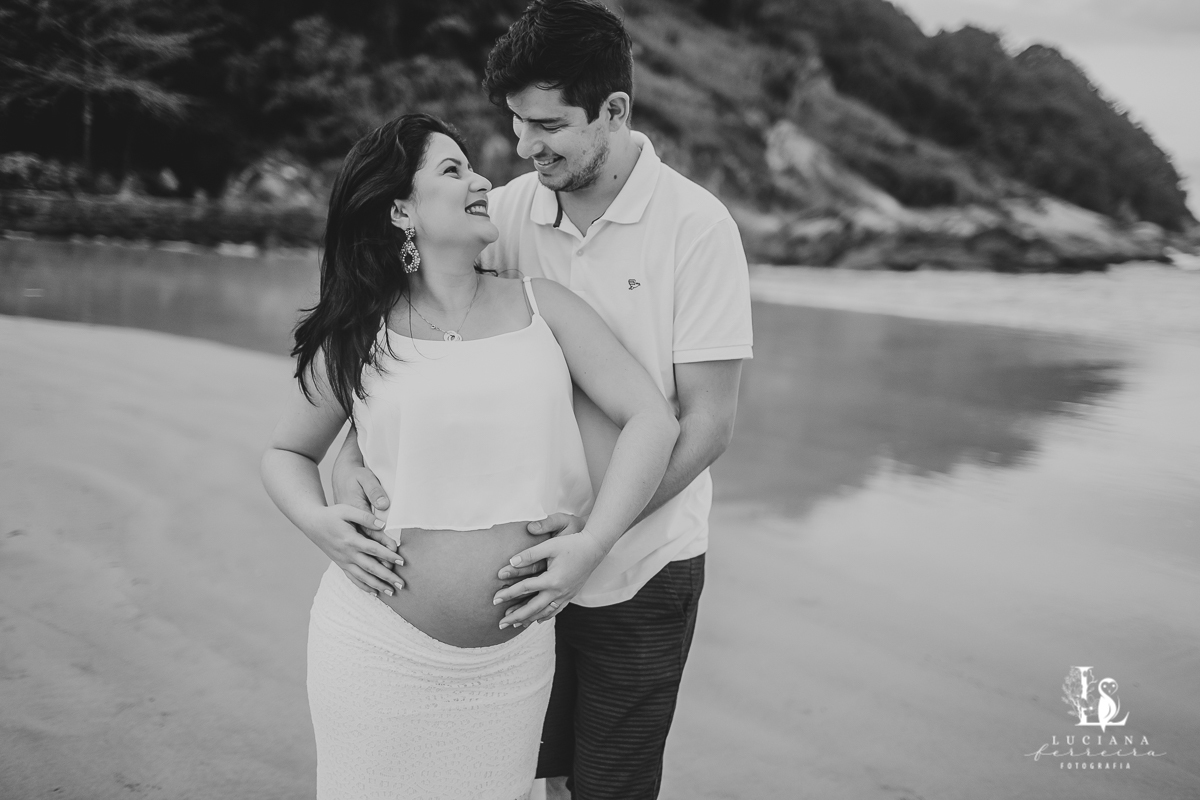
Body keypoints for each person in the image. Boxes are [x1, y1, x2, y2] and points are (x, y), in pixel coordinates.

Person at [334, 2, 754, 797]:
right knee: (525, 779)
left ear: (614, 111)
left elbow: (708, 423)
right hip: (519, 575)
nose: (525, 148)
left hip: (642, 564)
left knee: (608, 787)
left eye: (549, 126)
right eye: (518, 124)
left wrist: (594, 532)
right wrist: (354, 451)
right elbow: (433, 347)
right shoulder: (513, 212)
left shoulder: (698, 228)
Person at [261, 112, 679, 800]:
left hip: (510, 666)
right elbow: (285, 451)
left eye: (472, 166)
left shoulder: (544, 308)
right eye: (452, 170)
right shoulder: (359, 332)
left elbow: (652, 421)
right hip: (375, 650)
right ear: (401, 209)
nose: (481, 178)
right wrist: (320, 523)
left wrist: (595, 541)